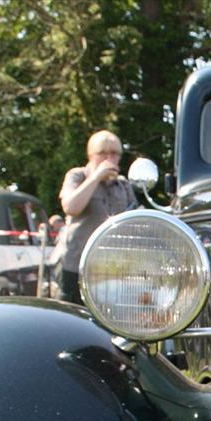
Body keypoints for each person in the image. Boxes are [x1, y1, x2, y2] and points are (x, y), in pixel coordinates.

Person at [51, 130, 136, 304]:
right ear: (90, 155)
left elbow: (133, 221)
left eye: (114, 154)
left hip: (110, 270)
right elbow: (71, 207)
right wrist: (96, 177)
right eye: (103, 153)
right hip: (75, 266)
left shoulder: (123, 185)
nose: (109, 159)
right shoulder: (77, 176)